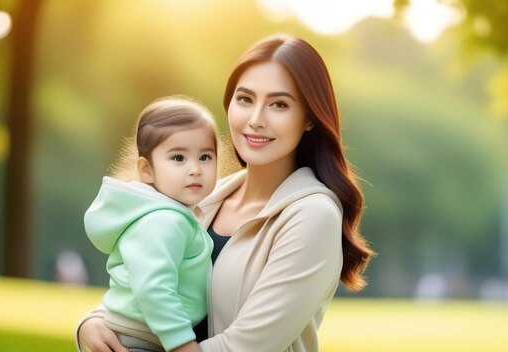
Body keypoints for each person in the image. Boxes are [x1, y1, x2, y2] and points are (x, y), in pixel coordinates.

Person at [77, 33, 375, 352]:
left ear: (309, 119)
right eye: (245, 99)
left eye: (279, 104)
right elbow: (144, 279)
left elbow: (247, 345)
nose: (256, 119)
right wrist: (93, 324)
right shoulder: (202, 196)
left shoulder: (312, 216)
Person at [82, 96, 218, 352]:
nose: (195, 169)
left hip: (144, 334)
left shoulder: (171, 214)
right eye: (178, 158)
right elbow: (153, 288)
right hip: (140, 340)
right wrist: (182, 344)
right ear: (147, 170)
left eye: (205, 157)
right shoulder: (164, 220)